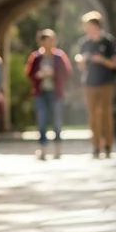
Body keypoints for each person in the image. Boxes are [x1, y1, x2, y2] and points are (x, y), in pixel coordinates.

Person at [75, 11, 116, 159]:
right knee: (93, 116)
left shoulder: (108, 42)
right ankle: (95, 145)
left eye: (88, 26)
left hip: (106, 82)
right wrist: (82, 59)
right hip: (89, 83)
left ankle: (108, 145)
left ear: (95, 25)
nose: (86, 29)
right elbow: (81, 66)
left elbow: (114, 64)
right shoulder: (85, 43)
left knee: (106, 114)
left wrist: (101, 60)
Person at [25, 29, 73, 160]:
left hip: (55, 92)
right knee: (42, 120)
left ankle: (58, 149)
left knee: (57, 121)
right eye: (46, 41)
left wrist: (54, 74)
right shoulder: (36, 57)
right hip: (41, 92)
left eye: (51, 41)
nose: (49, 44)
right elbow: (29, 73)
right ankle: (43, 149)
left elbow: (66, 73)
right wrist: (38, 75)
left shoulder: (59, 56)